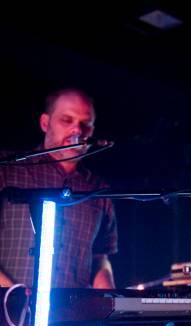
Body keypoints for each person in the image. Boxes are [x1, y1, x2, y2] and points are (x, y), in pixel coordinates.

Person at [0, 88, 117, 288]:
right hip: (6, 313)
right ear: (45, 123)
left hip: (72, 315)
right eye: (66, 120)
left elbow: (99, 257)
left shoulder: (98, 190)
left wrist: (110, 305)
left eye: (85, 124)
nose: (77, 130)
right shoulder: (8, 169)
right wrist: (12, 296)